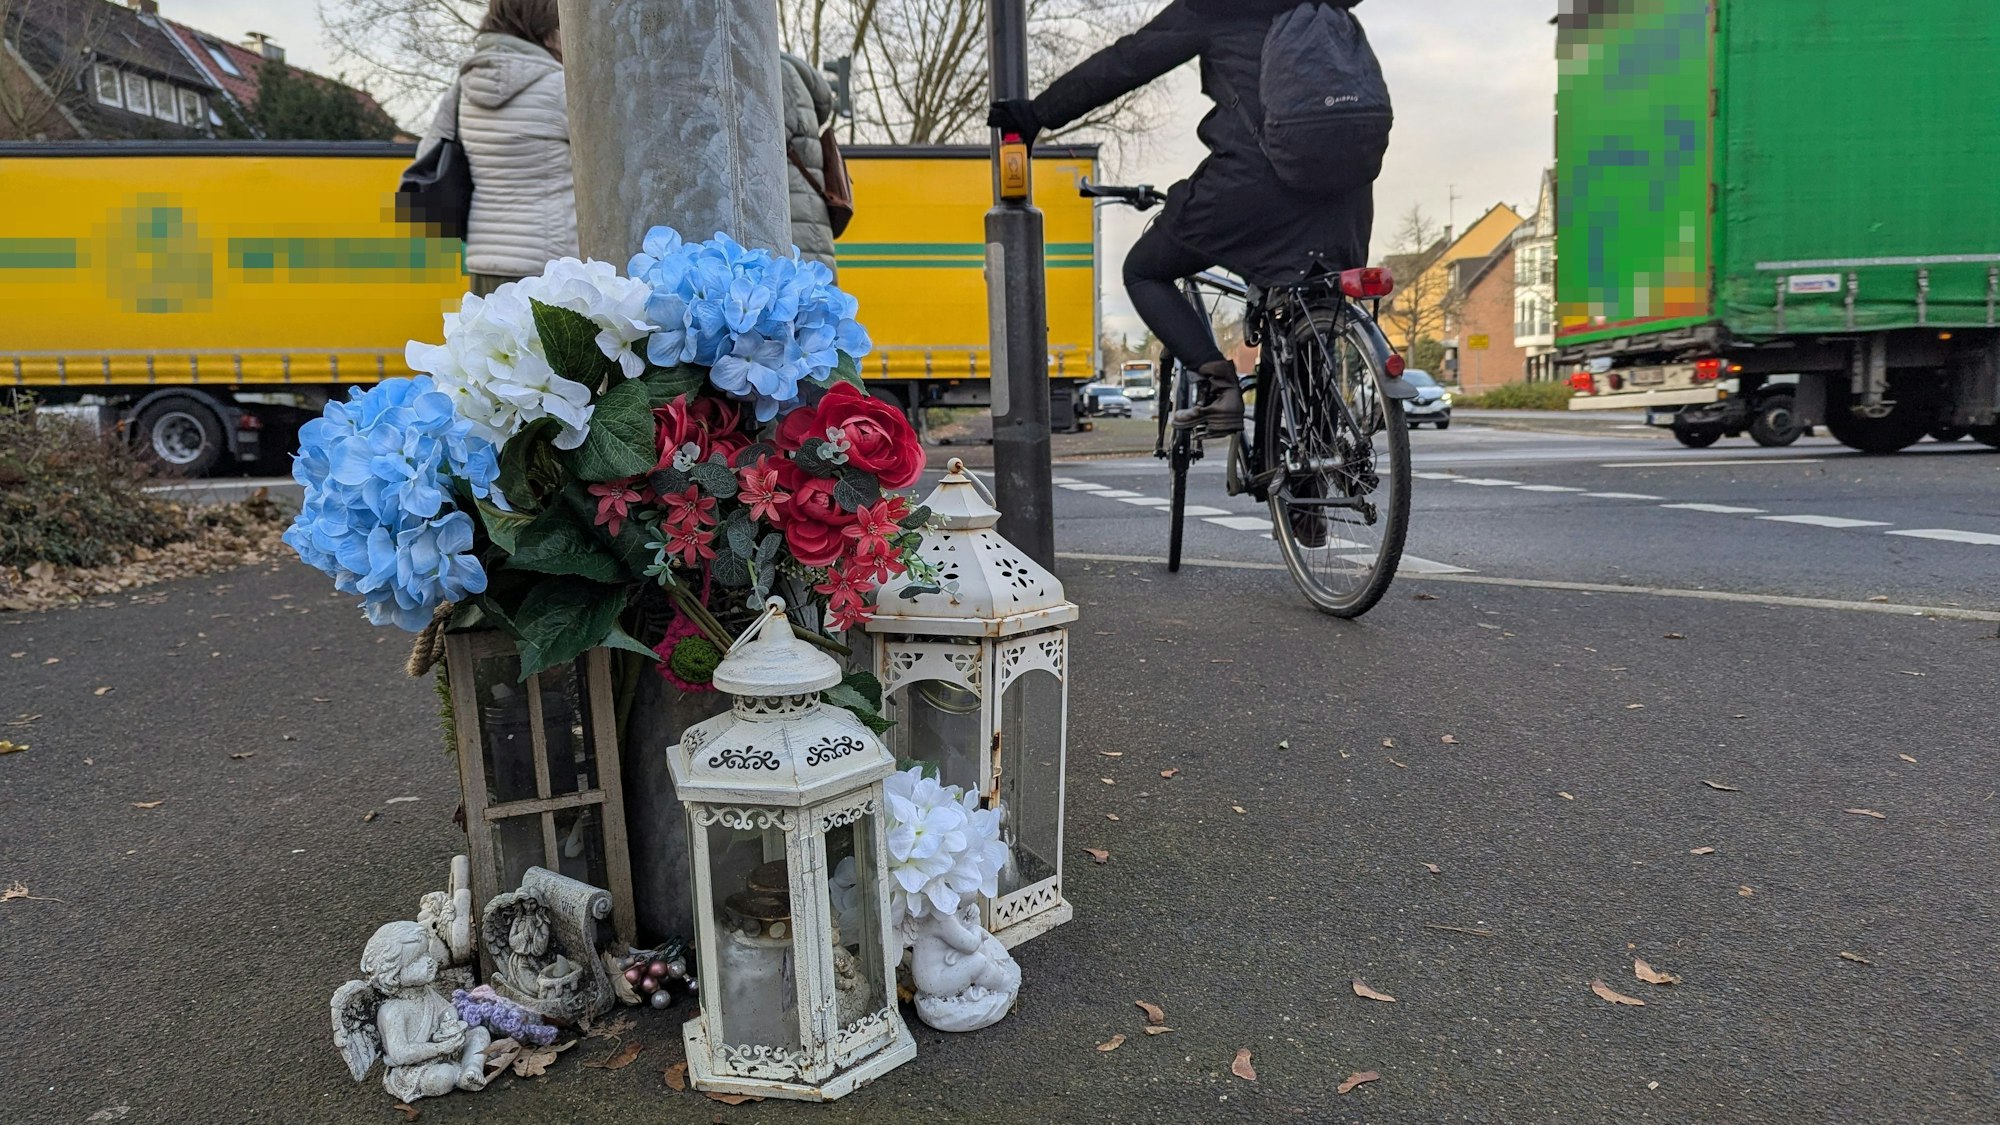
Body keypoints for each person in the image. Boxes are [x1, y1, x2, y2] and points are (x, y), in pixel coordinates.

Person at [989, 0, 1376, 436]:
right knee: (1313, 308)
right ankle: (1319, 466)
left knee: (1144, 270)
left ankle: (1218, 386)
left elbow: (1128, 61)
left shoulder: (1213, 9)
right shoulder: (1331, 11)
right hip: (1348, 192)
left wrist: (1039, 113)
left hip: (1253, 183)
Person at [423, 0, 573, 295]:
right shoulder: (560, 87)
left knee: (491, 341)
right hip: (550, 265)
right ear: (544, 29)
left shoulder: (464, 88)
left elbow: (427, 155)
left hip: (485, 261)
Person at [780, 52, 840, 274]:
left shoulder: (777, 74)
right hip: (808, 218)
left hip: (794, 222)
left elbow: (761, 142)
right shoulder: (795, 78)